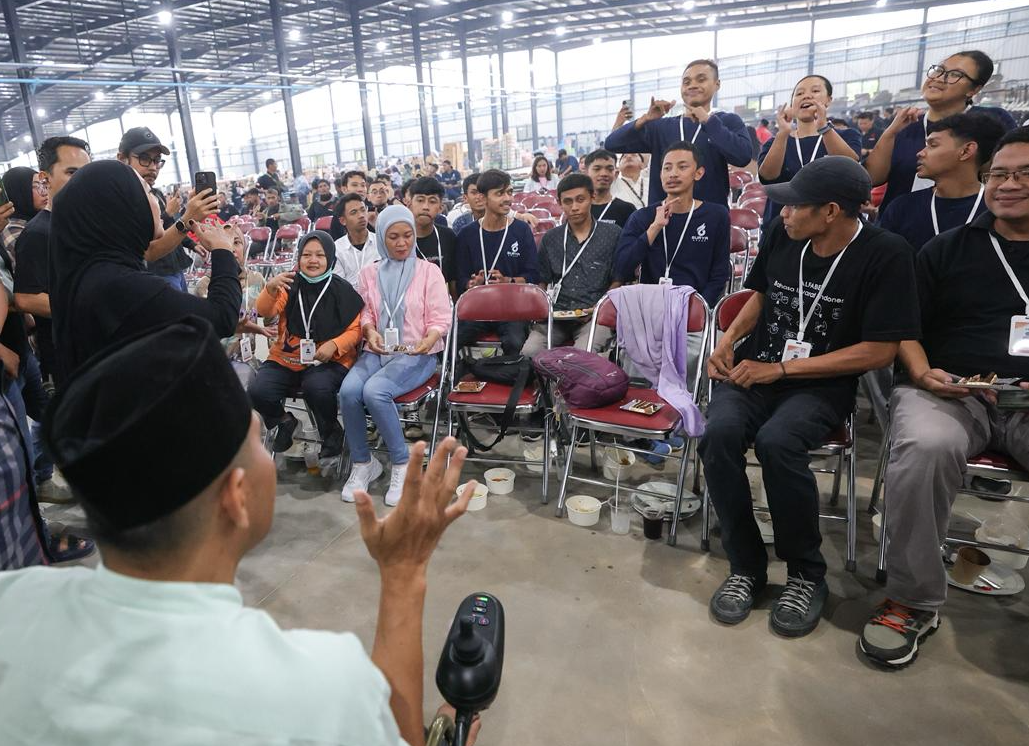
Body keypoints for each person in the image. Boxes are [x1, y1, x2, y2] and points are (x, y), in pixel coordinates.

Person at [0, 315, 480, 745]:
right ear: (235, 497)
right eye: (257, 438)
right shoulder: (319, 688)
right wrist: (403, 571)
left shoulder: (13, 604)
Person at [700, 156, 920, 638]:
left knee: (779, 444)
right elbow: (758, 293)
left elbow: (881, 350)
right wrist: (726, 342)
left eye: (796, 206)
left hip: (819, 385)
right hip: (756, 370)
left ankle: (804, 573)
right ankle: (748, 567)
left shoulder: (887, 254)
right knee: (717, 434)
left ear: (831, 211)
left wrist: (782, 368)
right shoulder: (786, 235)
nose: (783, 214)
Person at [859, 127, 1029, 669]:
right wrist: (923, 369)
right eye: (1000, 174)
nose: (1008, 184)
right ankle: (912, 598)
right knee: (924, 447)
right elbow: (902, 324)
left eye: (1024, 174)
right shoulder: (948, 248)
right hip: (955, 389)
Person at [48, 160, 242, 383]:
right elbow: (221, 317)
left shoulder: (90, 271)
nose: (158, 202)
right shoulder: (120, 286)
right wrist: (223, 249)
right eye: (148, 193)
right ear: (122, 206)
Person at [339, 206, 452, 506]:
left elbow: (441, 318)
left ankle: (402, 464)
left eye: (407, 235)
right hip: (379, 350)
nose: (402, 243)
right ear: (382, 239)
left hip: (418, 353)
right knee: (349, 392)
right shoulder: (370, 273)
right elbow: (365, 313)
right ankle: (364, 464)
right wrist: (369, 331)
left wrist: (428, 341)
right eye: (393, 237)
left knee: (375, 392)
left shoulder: (429, 272)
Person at [249, 231, 362, 460]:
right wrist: (270, 290)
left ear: (330, 258)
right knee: (258, 389)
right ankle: (284, 422)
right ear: (299, 257)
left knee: (317, 387)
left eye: (320, 255)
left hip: (329, 358)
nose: (313, 260)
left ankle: (331, 432)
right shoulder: (288, 283)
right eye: (307, 254)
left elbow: (356, 330)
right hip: (287, 356)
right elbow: (264, 311)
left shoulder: (342, 290)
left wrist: (335, 344)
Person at [865, 50, 1017, 212]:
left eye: (955, 74)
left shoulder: (991, 120)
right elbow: (872, 178)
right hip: (900, 225)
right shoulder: (906, 124)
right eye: (939, 70)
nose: (939, 78)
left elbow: (1006, 172)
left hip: (964, 221)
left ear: (974, 90)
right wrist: (890, 133)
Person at [605, 59, 752, 205]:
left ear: (717, 84)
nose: (693, 85)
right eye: (686, 82)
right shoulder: (660, 126)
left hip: (710, 219)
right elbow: (612, 143)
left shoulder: (726, 121)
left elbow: (742, 157)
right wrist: (645, 118)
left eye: (701, 80)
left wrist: (709, 122)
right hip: (664, 219)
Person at [613, 142, 730, 308]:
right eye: (667, 168)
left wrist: (698, 309)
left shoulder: (716, 216)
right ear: (660, 174)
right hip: (649, 309)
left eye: (682, 167)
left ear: (698, 173)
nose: (673, 174)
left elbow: (719, 275)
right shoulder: (642, 217)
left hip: (694, 309)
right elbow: (622, 268)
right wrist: (654, 227)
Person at [14, 136, 91, 384]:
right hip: (69, 354)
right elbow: (26, 297)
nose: (82, 180)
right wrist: (87, 306)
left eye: (86, 172)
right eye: (72, 172)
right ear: (45, 178)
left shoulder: (85, 224)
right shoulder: (38, 233)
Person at [522, 173, 620, 357]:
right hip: (557, 315)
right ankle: (544, 386)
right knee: (529, 353)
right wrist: (543, 306)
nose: (574, 207)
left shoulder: (612, 234)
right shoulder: (551, 238)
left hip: (594, 316)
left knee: (580, 358)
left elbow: (619, 280)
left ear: (592, 197)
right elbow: (542, 280)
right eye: (567, 202)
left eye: (580, 200)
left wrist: (599, 308)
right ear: (559, 202)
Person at [878, 112, 1005, 252]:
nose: (920, 153)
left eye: (933, 145)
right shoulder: (901, 208)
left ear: (966, 151)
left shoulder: (999, 210)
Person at [117, 127, 219, 293]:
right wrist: (185, 217)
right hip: (155, 275)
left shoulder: (154, 194)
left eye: (157, 160)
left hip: (174, 266)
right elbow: (149, 251)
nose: (153, 167)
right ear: (122, 159)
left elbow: (170, 228)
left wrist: (190, 219)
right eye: (144, 159)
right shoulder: (122, 200)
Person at [454, 170, 539, 355]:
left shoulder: (521, 230)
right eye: (499, 193)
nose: (507, 198)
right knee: (450, 341)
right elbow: (460, 278)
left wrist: (508, 281)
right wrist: (471, 284)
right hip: (478, 308)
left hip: (513, 308)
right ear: (483, 198)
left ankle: (509, 379)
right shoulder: (467, 235)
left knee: (515, 343)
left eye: (509, 192)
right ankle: (460, 376)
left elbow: (533, 275)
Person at [758, 75, 862, 225]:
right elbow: (767, 177)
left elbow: (849, 167)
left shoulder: (847, 136)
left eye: (815, 91)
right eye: (799, 94)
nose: (806, 95)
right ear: (792, 104)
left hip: (831, 227)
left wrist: (823, 127)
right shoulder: (776, 142)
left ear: (828, 100)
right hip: (783, 226)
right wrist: (783, 133)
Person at [195, 224, 270, 390]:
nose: (232, 248)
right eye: (226, 242)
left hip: (246, 361)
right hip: (213, 362)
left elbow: (273, 319)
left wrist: (276, 356)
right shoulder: (203, 286)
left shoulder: (257, 280)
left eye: (237, 242)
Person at [409, 177, 458, 289]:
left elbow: (453, 280)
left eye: (432, 201)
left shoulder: (448, 237)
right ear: (410, 204)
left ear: (440, 208)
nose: (425, 207)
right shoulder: (400, 238)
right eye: (420, 200)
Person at [333, 192, 379, 286]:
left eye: (363, 210)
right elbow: (339, 286)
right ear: (343, 220)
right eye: (354, 212)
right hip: (349, 298)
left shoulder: (380, 242)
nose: (361, 215)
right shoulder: (337, 249)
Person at [584, 149, 636, 228]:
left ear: (616, 174)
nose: (604, 174)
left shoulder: (627, 209)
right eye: (597, 169)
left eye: (610, 169)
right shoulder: (579, 208)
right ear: (586, 173)